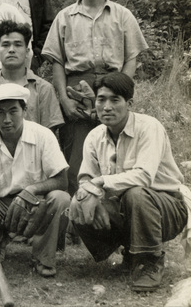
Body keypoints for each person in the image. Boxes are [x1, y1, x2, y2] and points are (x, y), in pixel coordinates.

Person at [69, 72, 190, 292]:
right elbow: (86, 178)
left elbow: (143, 177)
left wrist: (99, 183)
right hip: (123, 205)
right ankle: (128, 253)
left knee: (136, 194)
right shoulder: (95, 136)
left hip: (167, 207)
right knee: (79, 201)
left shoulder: (149, 127)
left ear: (129, 103)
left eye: (115, 100)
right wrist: (87, 195)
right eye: (101, 99)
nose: (106, 107)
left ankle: (149, 261)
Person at [41, 0, 148, 194]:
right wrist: (64, 99)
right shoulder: (64, 17)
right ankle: (75, 214)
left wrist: (120, 90)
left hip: (114, 85)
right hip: (76, 90)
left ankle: (115, 210)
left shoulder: (122, 15)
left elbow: (131, 57)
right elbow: (57, 61)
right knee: (76, 155)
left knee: (118, 150)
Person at [0, 84, 70, 278]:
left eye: (13, 111)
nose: (7, 119)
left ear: (25, 110)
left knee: (60, 198)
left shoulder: (43, 135)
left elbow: (62, 181)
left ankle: (43, 258)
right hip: (2, 204)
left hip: (36, 204)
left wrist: (32, 189)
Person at [0, 20, 63, 147]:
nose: (11, 50)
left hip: (34, 162)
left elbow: (50, 137)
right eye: (5, 45)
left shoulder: (44, 89)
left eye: (18, 45)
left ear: (27, 51)